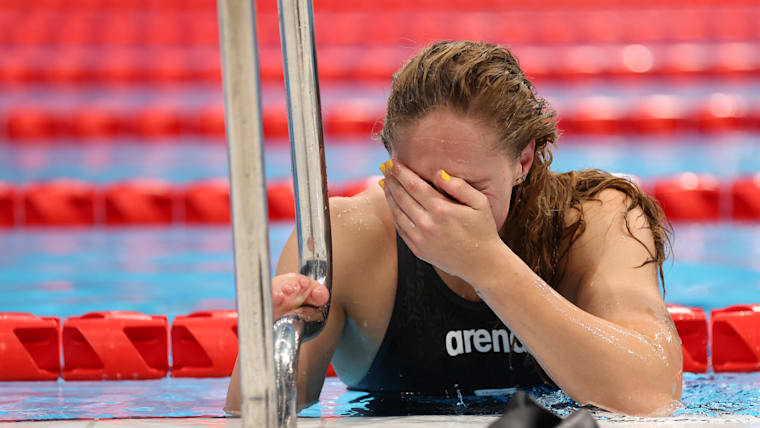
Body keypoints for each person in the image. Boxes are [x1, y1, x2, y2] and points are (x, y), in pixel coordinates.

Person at [226, 40, 682, 416]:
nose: (440, 213)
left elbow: (653, 394)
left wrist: (485, 263)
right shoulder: (348, 238)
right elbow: (253, 415)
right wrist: (266, 341)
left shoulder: (595, 223)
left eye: (466, 190)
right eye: (418, 186)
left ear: (523, 161)